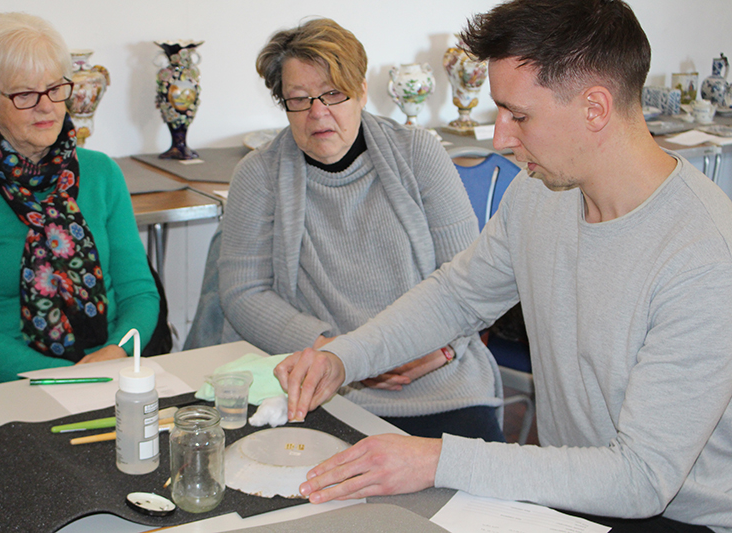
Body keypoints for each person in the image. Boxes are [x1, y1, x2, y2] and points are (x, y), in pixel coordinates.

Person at [274, 1, 732, 532]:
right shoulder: (541, 193)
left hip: (680, 516)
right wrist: (343, 358)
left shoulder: (704, 255)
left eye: (519, 114)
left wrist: (435, 459)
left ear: (595, 108)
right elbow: (457, 296)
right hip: (574, 489)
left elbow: (643, 478)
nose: (501, 139)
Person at [214, 18, 504, 441]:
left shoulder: (419, 153)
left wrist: (439, 350)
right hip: (320, 388)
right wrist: (338, 354)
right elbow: (243, 294)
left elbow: (470, 280)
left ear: (362, 90)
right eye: (299, 99)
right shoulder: (258, 175)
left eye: (333, 94)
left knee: (476, 503)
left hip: (438, 380)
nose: (318, 112)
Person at [0, 13, 161, 384]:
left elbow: (140, 293)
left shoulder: (102, 174)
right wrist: (70, 378)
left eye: (56, 88)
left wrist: (115, 354)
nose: (47, 107)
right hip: (10, 387)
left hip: (114, 371)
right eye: (25, 94)